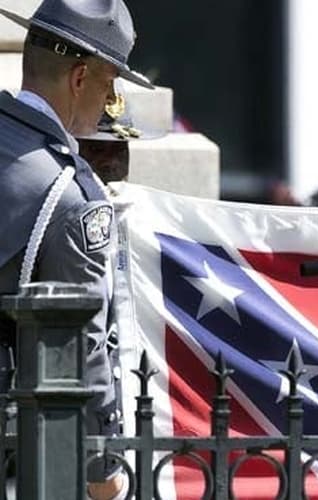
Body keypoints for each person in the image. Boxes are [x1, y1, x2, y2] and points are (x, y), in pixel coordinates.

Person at [0, 1, 154, 499]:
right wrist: (103, 468)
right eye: (111, 86)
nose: (110, 101)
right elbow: (83, 347)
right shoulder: (70, 195)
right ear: (81, 78)